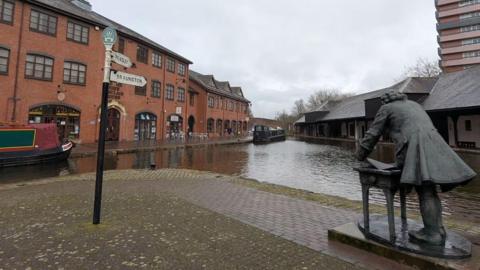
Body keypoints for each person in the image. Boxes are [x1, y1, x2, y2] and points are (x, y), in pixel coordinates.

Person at [356, 91, 476, 245]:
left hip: (415, 146)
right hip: (435, 145)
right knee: (430, 189)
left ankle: (432, 234)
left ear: (385, 101)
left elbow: (373, 134)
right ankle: (437, 229)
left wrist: (360, 154)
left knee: (425, 191)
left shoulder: (386, 108)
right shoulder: (415, 105)